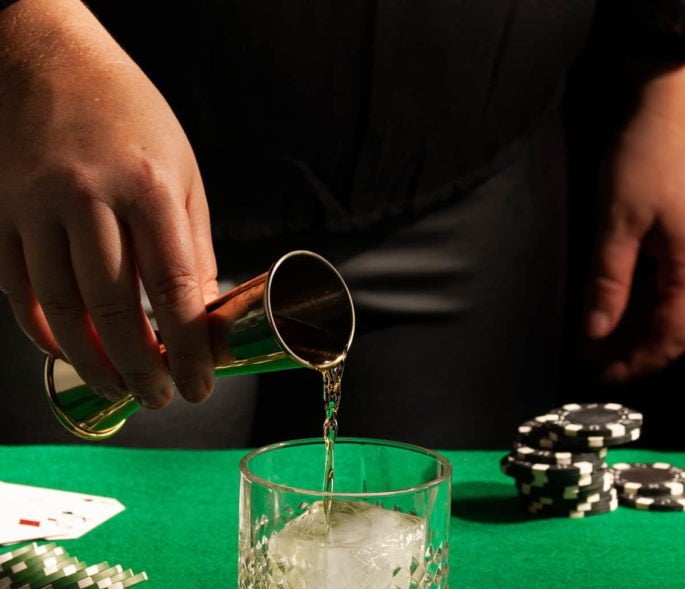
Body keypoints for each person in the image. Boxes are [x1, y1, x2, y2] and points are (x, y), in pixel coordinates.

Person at [1, 0, 685, 449]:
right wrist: (32, 36)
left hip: (468, 156)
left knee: (415, 555)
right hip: (91, 169)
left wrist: (666, 57)